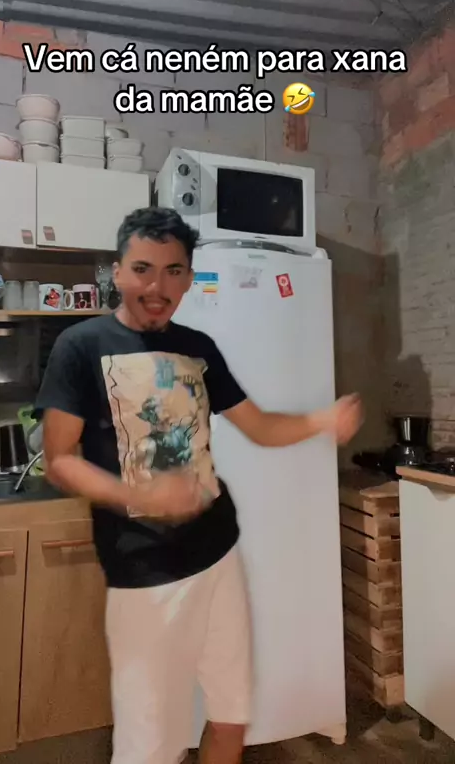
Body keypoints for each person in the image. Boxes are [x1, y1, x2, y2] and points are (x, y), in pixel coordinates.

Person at [36, 206, 362, 764]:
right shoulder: (80, 346)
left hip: (218, 555)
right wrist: (141, 496)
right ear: (117, 272)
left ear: (189, 277)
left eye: (173, 271)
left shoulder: (199, 346)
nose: (157, 287)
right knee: (148, 749)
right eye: (142, 269)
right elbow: (58, 459)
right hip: (146, 577)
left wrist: (321, 421)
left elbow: (259, 427)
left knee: (232, 716)